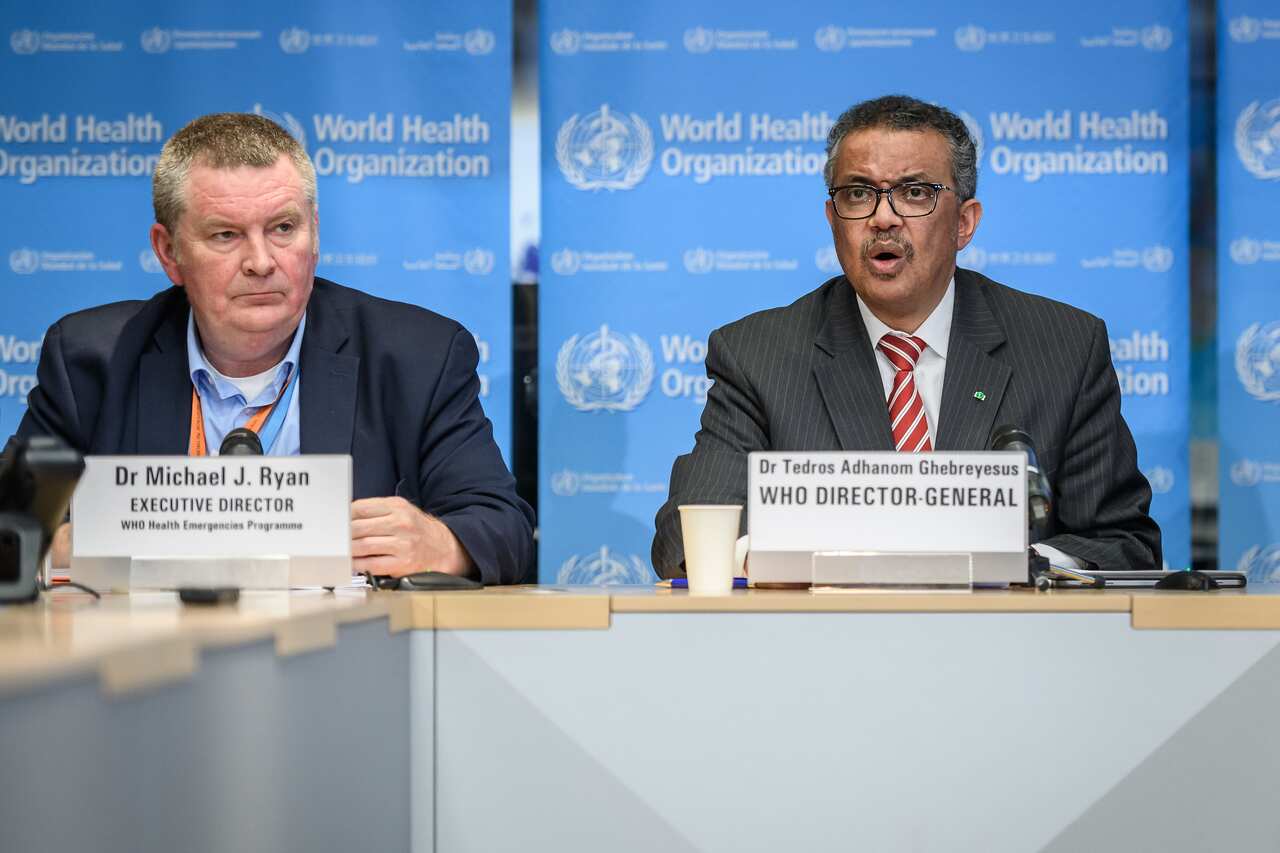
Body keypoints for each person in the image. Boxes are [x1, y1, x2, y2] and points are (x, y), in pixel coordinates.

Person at [12, 113, 533, 585]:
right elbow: (8, 529)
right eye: (226, 235)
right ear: (169, 252)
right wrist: (62, 545)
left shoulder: (417, 356)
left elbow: (503, 527)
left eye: (283, 228)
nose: (261, 262)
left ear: (315, 234)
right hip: (142, 651)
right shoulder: (92, 360)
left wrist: (440, 543)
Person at [652, 95, 1161, 577]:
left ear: (964, 223)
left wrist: (1014, 566)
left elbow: (1123, 543)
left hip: (1003, 635)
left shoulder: (1064, 348)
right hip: (824, 633)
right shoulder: (757, 356)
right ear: (832, 220)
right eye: (858, 193)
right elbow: (684, 539)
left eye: (915, 192)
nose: (883, 217)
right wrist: (807, 560)